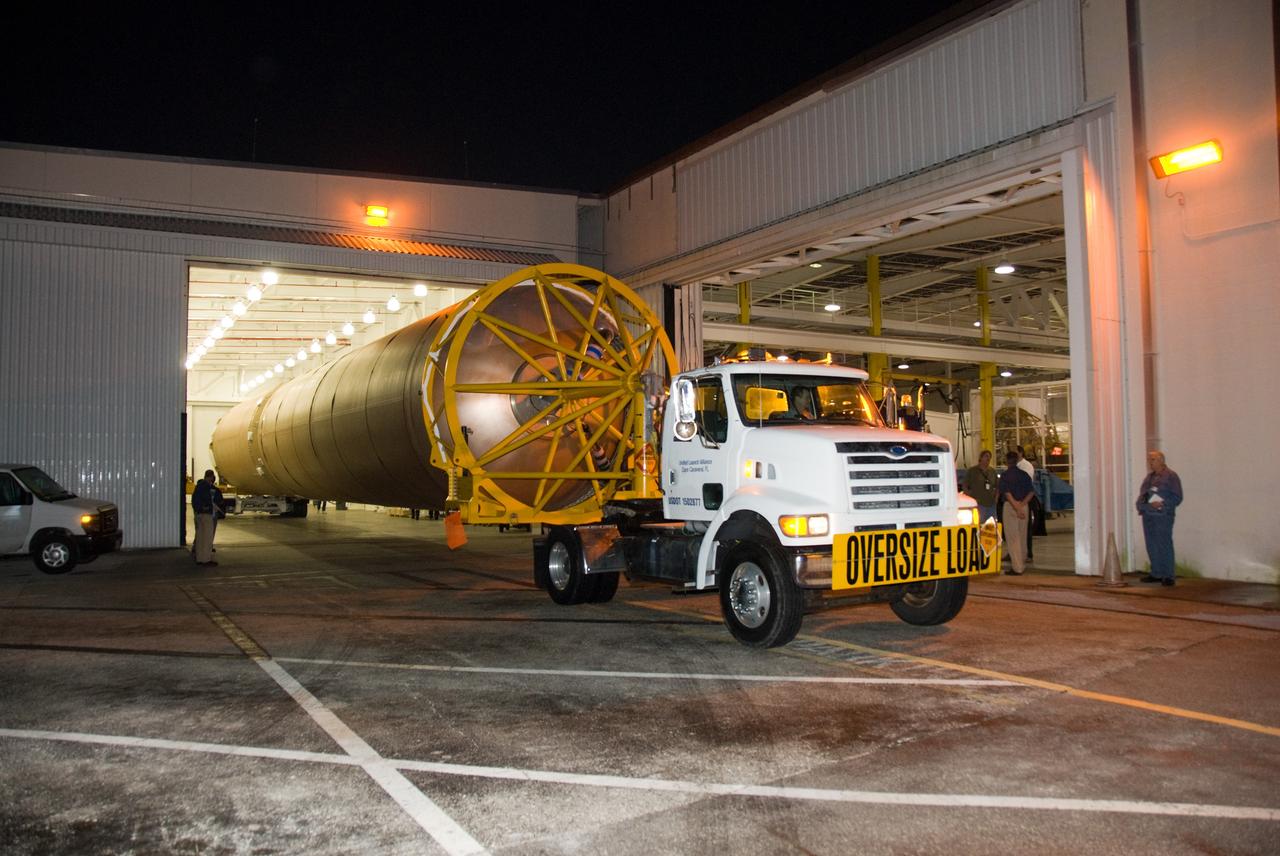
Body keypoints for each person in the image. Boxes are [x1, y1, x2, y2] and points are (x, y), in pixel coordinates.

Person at [1136, 450, 1183, 586]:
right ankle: (1156, 573)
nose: (1150, 462)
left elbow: (1177, 497)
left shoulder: (1171, 476)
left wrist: (1162, 503)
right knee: (1151, 545)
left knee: (1164, 544)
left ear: (1161, 460)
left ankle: (1168, 575)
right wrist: (1142, 505)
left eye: (1153, 459)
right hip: (1149, 515)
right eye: (1149, 460)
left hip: (1163, 516)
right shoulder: (1149, 478)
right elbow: (1143, 494)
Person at [998, 451, 1034, 575]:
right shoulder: (1024, 475)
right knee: (1022, 535)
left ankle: (1017, 567)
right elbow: (1031, 492)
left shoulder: (1005, 476)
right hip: (1024, 506)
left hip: (1011, 507)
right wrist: (1022, 505)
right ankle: (1022, 562)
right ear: (1017, 460)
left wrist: (1016, 507)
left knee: (1013, 538)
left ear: (1007, 461)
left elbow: (1007, 493)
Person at [1015, 445, 1042, 561]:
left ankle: (1028, 553)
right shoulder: (1015, 466)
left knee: (1025, 528)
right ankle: (1015, 552)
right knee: (1014, 529)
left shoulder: (1026, 466)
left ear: (1021, 453)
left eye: (1015, 452)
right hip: (1016, 499)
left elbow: (1025, 484)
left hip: (1024, 499)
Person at [191, 469, 219, 567]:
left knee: (200, 537)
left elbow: (194, 500)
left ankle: (199, 558)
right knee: (207, 538)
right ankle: (206, 559)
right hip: (206, 515)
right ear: (211, 477)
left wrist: (198, 509)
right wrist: (209, 507)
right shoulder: (207, 487)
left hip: (198, 514)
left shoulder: (198, 486)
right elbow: (209, 500)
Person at [964, 450, 999, 525]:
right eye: (986, 456)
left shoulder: (992, 472)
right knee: (979, 525)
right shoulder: (972, 471)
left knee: (991, 527)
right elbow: (965, 486)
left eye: (989, 457)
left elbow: (997, 486)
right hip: (978, 504)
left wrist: (996, 498)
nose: (988, 458)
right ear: (981, 458)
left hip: (991, 504)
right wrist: (970, 498)